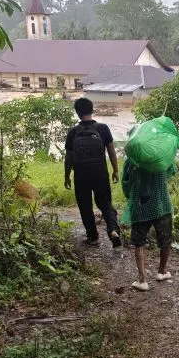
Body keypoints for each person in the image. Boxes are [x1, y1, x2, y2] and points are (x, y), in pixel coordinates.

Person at [64, 98, 121, 247]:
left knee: (85, 206)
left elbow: (69, 157)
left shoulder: (73, 132)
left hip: (81, 175)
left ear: (77, 112)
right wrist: (115, 170)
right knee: (105, 203)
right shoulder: (103, 128)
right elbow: (111, 151)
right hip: (100, 172)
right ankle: (113, 230)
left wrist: (67, 176)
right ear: (92, 110)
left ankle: (93, 237)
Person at [121, 160, 176, 291]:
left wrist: (131, 196)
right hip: (161, 205)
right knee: (165, 240)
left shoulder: (132, 159)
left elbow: (126, 182)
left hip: (140, 205)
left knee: (139, 243)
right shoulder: (162, 156)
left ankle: (142, 280)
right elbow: (171, 171)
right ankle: (161, 272)